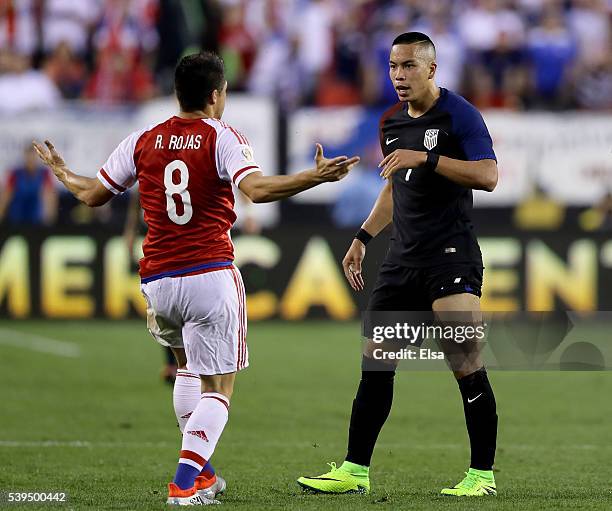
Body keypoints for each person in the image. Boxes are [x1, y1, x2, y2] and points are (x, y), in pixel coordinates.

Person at [33, 51, 359, 506]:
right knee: (219, 388)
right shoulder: (222, 136)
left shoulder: (143, 140)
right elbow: (257, 190)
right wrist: (314, 177)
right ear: (215, 95)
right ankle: (184, 484)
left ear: (176, 94)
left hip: (158, 283)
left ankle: (203, 474)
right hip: (208, 274)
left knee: (187, 366)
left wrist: (61, 170)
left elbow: (91, 194)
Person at [297, 32, 499, 498]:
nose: (399, 76)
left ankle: (482, 476)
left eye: (408, 66)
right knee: (376, 364)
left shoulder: (460, 116)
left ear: (431, 69)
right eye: (393, 67)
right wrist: (363, 237)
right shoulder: (390, 122)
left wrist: (428, 158)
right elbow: (395, 187)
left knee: (465, 362)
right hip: (402, 261)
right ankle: (354, 470)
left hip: (450, 256)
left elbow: (489, 175)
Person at [0, 143, 57, 225]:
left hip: (36, 217)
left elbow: (50, 196)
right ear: (25, 156)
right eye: (29, 155)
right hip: (17, 216)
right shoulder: (15, 173)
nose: (31, 159)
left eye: (34, 155)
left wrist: (50, 219)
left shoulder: (44, 173)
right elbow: (6, 196)